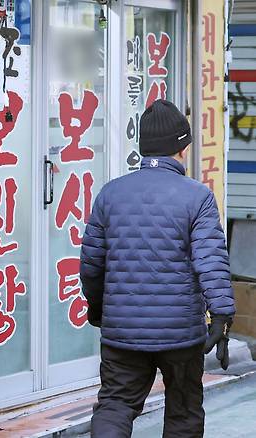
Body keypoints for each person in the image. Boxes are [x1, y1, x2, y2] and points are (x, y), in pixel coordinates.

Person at [80, 99, 235, 438]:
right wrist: (221, 316)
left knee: (115, 405)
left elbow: (92, 264)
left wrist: (97, 308)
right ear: (181, 148)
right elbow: (210, 259)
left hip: (122, 332)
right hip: (181, 334)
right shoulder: (197, 197)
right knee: (183, 411)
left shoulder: (110, 194)